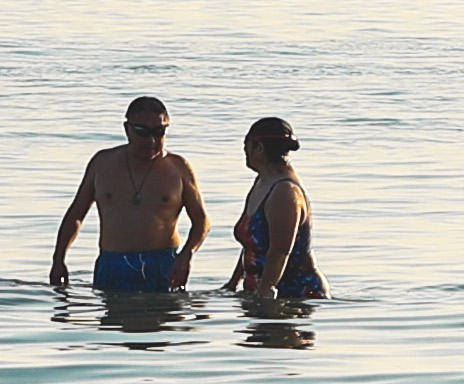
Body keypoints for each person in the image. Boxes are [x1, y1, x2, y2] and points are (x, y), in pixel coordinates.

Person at [49, 96, 203, 296]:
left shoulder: (179, 167)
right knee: (112, 325)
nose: (151, 140)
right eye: (143, 132)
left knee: (163, 324)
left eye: (159, 132)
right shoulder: (102, 163)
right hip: (113, 263)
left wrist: (186, 255)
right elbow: (76, 215)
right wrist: (58, 259)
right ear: (127, 129)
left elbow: (201, 221)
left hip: (162, 264)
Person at [227, 117, 325, 307]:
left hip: (294, 296)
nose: (244, 152)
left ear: (259, 148)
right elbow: (252, 245)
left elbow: (279, 251)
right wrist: (232, 284)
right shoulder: (262, 181)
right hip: (259, 291)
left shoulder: (284, 192)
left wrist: (265, 292)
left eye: (246, 145)